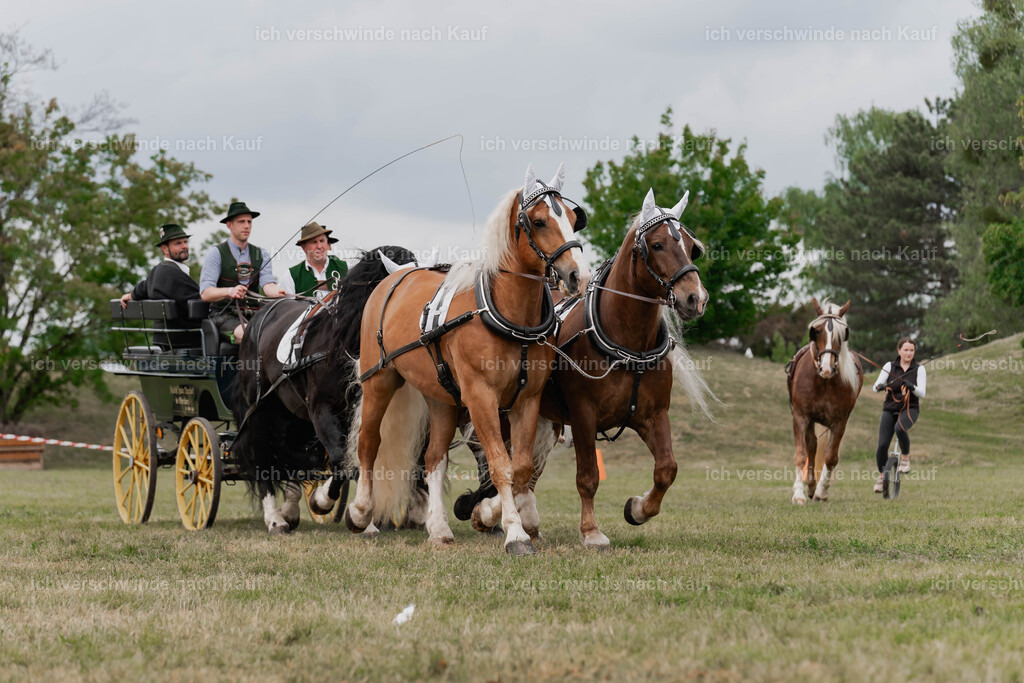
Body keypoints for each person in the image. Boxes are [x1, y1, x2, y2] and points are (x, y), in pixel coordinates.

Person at [199, 201, 285, 343]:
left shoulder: (261, 254)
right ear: (229, 225)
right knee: (249, 335)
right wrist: (229, 291)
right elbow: (205, 293)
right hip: (223, 315)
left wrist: (279, 292)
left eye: (249, 222)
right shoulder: (216, 253)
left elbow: (268, 285)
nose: (246, 226)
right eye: (241, 222)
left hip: (255, 314)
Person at [120, 224, 201, 348]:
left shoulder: (159, 271)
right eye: (178, 243)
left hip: (165, 339)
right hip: (186, 339)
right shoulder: (171, 274)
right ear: (164, 249)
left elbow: (144, 286)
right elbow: (199, 301)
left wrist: (131, 295)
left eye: (185, 242)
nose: (184, 246)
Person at [871, 337, 927, 493]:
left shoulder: (919, 369)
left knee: (900, 428)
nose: (909, 353)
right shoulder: (889, 366)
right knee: (882, 445)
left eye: (911, 350)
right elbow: (875, 387)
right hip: (890, 408)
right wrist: (880, 386)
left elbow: (922, 393)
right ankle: (882, 476)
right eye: (906, 350)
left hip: (910, 408)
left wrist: (912, 387)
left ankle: (905, 459)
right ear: (899, 351)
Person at [279, 222, 348, 298]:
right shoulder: (291, 276)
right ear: (303, 247)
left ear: (329, 245)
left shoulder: (347, 268)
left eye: (322, 241)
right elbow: (286, 304)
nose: (319, 246)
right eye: (314, 242)